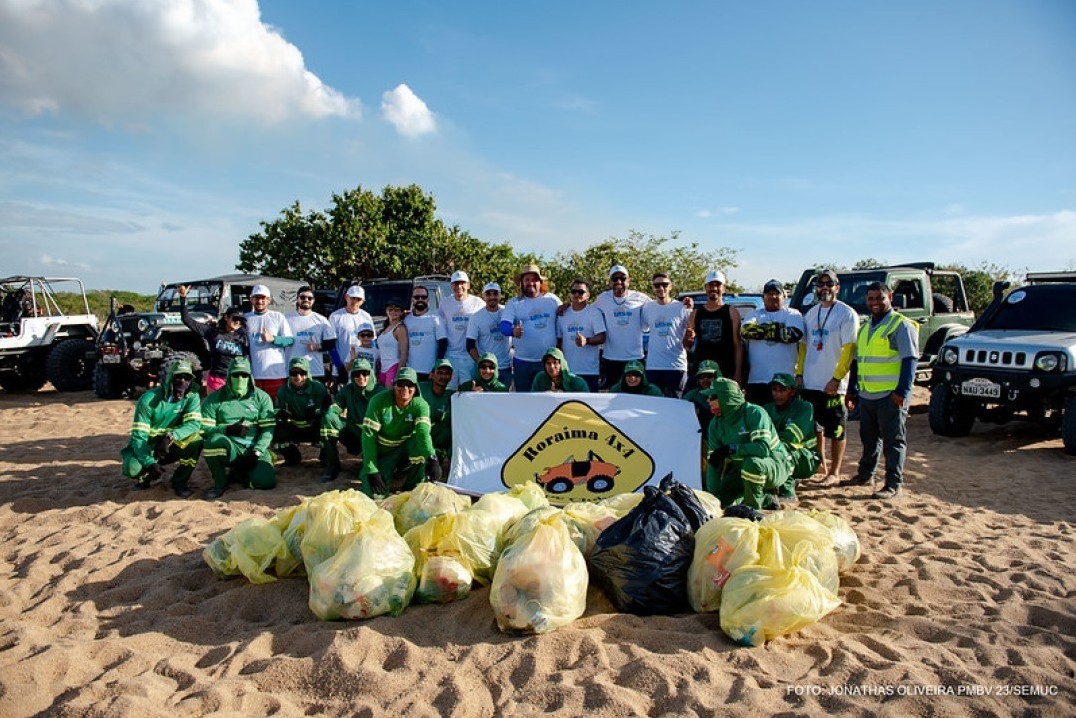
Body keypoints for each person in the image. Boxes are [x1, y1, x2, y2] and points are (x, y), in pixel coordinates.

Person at [843, 281, 919, 500]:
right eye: (871, 299)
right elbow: (858, 362)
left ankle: (894, 485)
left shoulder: (900, 325)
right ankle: (866, 475)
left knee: (893, 441)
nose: (875, 303)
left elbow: (909, 360)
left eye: (879, 298)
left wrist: (902, 391)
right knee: (869, 438)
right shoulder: (866, 327)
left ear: (890, 297)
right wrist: (853, 390)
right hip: (868, 394)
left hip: (890, 395)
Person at [796, 268, 859, 486]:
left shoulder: (847, 313)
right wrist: (799, 373)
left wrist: (837, 378)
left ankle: (835, 472)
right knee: (816, 428)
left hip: (833, 384)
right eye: (820, 285)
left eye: (829, 284)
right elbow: (804, 347)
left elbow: (849, 350)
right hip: (811, 381)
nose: (824, 288)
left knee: (837, 428)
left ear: (837, 288)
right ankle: (819, 466)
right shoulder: (811, 313)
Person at [703, 378, 794, 510]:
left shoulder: (755, 413)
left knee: (752, 464)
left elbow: (762, 449)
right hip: (741, 469)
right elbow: (714, 464)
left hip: (776, 463)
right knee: (722, 501)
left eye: (712, 397)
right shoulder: (715, 424)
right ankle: (767, 499)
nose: (708, 401)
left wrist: (731, 449)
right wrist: (712, 498)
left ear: (727, 397)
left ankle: (752, 510)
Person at [120, 358, 203, 497]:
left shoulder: (192, 397)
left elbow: (193, 424)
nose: (182, 381)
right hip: (149, 445)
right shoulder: (148, 400)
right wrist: (149, 462)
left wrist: (171, 436)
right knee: (132, 469)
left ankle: (179, 481)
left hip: (171, 443)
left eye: (187, 377)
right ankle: (144, 479)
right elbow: (138, 436)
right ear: (170, 378)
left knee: (197, 440)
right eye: (178, 377)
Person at [200, 357, 276, 499]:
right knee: (213, 442)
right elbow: (204, 429)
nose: (240, 378)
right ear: (229, 376)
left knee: (265, 482)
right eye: (236, 375)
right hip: (230, 446)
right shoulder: (214, 399)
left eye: (244, 375)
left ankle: (241, 473)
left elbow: (268, 429)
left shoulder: (262, 397)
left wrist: (257, 451)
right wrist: (227, 429)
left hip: (254, 447)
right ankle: (220, 483)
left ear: (250, 376)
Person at [360, 367, 439, 498]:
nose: (405, 388)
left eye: (410, 385)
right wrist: (372, 470)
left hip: (404, 449)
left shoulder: (420, 405)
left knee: (417, 445)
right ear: (394, 385)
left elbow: (423, 433)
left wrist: (432, 458)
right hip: (383, 453)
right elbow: (368, 437)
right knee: (375, 496)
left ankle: (413, 485)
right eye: (400, 384)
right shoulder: (378, 401)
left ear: (416, 387)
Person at [319, 358, 386, 483]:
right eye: (356, 374)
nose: (361, 377)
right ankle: (332, 465)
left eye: (364, 373)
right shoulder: (347, 390)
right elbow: (336, 408)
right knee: (329, 419)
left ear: (370, 373)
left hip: (374, 436)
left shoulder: (381, 392)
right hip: (354, 431)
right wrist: (328, 410)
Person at [740, 279, 805, 406]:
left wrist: (762, 330)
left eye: (777, 293)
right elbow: (746, 331)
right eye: (769, 294)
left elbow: (794, 334)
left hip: (785, 381)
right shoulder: (754, 314)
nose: (773, 297)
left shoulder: (793, 314)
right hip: (757, 380)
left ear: (784, 296)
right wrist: (779, 329)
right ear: (763, 297)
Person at [500, 264, 561, 392]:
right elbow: (504, 326)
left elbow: (565, 313)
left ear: (540, 282)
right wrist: (513, 331)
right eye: (527, 280)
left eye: (534, 279)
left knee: (546, 401)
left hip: (547, 363)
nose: (531, 283)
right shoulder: (514, 303)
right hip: (522, 363)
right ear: (521, 282)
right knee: (524, 401)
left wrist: (567, 306)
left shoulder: (552, 300)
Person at [177, 285, 248, 393]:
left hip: (237, 380)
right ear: (226, 317)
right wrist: (183, 298)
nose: (237, 322)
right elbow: (187, 320)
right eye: (235, 318)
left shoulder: (244, 335)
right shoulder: (213, 332)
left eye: (240, 320)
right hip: (217, 379)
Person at [593, 265, 650, 390]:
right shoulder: (603, 298)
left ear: (628, 281)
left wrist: (683, 305)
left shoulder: (641, 298)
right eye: (615, 279)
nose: (619, 282)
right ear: (610, 282)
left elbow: (659, 308)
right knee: (614, 396)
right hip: (611, 358)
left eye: (622, 278)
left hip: (635, 358)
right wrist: (566, 306)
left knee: (637, 395)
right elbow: (586, 310)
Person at [684, 270, 742, 385]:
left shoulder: (732, 312)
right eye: (711, 285)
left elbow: (738, 345)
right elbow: (687, 345)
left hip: (726, 371)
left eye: (718, 285)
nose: (714, 289)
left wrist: (738, 372)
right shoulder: (695, 313)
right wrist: (688, 338)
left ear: (724, 288)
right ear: (705, 288)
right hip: (701, 372)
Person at [272, 356, 331, 468]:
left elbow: (325, 409)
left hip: (314, 426)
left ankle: (326, 457)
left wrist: (317, 413)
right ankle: (292, 458)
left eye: (302, 373)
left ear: (308, 373)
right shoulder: (283, 390)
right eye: (294, 373)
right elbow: (276, 410)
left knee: (328, 425)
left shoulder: (318, 387)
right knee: (275, 430)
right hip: (294, 426)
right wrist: (281, 414)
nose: (298, 377)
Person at [763, 373, 821, 484]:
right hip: (779, 450)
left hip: (806, 458)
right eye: (774, 389)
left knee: (777, 451)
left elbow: (791, 437)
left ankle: (787, 489)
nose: (777, 394)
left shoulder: (805, 407)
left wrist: (766, 440)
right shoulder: (767, 408)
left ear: (793, 392)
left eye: (782, 390)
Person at [641, 272, 691, 397]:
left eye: (664, 284)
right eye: (657, 285)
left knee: (676, 405)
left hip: (676, 366)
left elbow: (691, 332)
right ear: (652, 287)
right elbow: (643, 328)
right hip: (654, 366)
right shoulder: (647, 308)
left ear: (671, 286)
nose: (661, 288)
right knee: (653, 405)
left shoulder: (682, 307)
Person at [244, 284, 294, 401]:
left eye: (263, 298)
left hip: (275, 373)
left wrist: (273, 339)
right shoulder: (246, 318)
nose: (260, 301)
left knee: (275, 407)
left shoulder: (277, 317)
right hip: (253, 374)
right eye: (257, 298)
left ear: (269, 300)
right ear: (251, 299)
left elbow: (290, 340)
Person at [556, 279, 606, 392]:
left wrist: (587, 341)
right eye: (574, 291)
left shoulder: (594, 313)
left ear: (588, 295)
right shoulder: (562, 314)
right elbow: (559, 341)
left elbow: (602, 337)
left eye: (581, 292)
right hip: (567, 371)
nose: (577, 294)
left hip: (589, 371)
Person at [439, 270, 485, 390]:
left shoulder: (478, 302)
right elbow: (437, 323)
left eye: (462, 283)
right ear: (451, 286)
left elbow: (490, 314)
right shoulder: (444, 303)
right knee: (448, 391)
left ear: (468, 285)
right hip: (450, 355)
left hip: (469, 356)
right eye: (455, 283)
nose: (459, 287)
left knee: (468, 390)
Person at [466, 282, 513, 388]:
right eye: (488, 294)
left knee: (504, 400)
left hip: (505, 367)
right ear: (483, 296)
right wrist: (481, 364)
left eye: (495, 294)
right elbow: (469, 344)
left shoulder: (508, 312)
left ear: (500, 295)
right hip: (486, 370)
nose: (492, 297)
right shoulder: (476, 317)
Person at [285, 286, 334, 383]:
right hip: (292, 371)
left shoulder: (321, 320)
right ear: (297, 299)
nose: (306, 300)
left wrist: (317, 346)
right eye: (303, 297)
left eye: (309, 298)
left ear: (313, 301)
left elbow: (332, 343)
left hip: (314, 371)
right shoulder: (285, 319)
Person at [329, 285, 374, 386]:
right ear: (346, 297)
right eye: (352, 298)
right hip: (342, 369)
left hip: (362, 370)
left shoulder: (366, 316)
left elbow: (372, 342)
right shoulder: (335, 316)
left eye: (358, 299)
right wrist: (339, 367)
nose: (355, 301)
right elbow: (331, 345)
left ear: (363, 301)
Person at [404, 286, 447, 380]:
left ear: (427, 299)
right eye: (417, 297)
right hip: (410, 372)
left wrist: (437, 367)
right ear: (412, 299)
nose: (420, 299)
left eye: (423, 297)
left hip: (429, 372)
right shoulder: (406, 320)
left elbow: (443, 344)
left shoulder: (435, 318)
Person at [419, 358, 455, 464]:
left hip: (438, 444)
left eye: (447, 373)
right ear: (432, 374)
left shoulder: (452, 396)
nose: (443, 377)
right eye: (439, 373)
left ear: (452, 377)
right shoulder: (419, 389)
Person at [682, 360, 721, 430]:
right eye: (701, 377)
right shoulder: (693, 394)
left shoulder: (727, 393)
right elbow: (680, 408)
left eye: (709, 376)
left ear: (717, 376)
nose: (705, 379)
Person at [377, 301, 409, 387]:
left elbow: (404, 353)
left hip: (393, 367)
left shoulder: (400, 328)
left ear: (401, 312)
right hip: (382, 368)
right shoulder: (384, 329)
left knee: (389, 396)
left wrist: (398, 373)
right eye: (390, 309)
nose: (393, 312)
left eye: (397, 310)